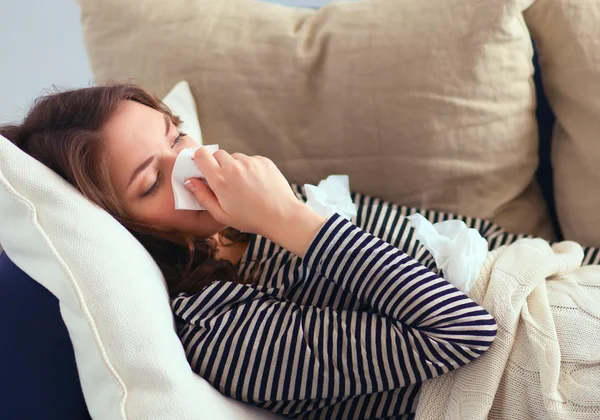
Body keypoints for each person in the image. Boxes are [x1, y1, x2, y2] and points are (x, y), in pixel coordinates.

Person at [1, 85, 497, 419]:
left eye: (177, 136)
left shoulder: (262, 217)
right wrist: (287, 218)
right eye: (153, 181)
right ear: (117, 227)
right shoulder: (219, 329)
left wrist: (284, 213)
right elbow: (464, 331)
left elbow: (465, 239)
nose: (194, 164)